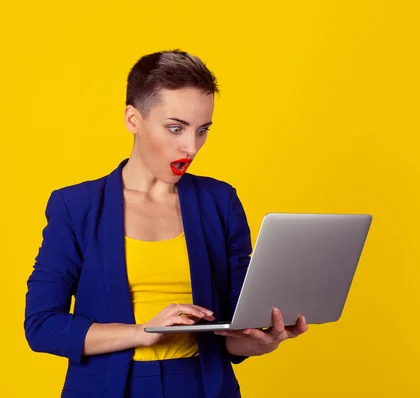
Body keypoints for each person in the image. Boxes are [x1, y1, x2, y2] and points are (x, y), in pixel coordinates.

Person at [24, 49, 308, 398]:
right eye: (176, 128)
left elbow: (232, 336)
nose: (191, 146)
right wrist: (144, 331)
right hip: (108, 388)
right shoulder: (76, 207)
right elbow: (42, 326)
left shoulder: (220, 202)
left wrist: (262, 342)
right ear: (133, 119)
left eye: (202, 130)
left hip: (203, 386)